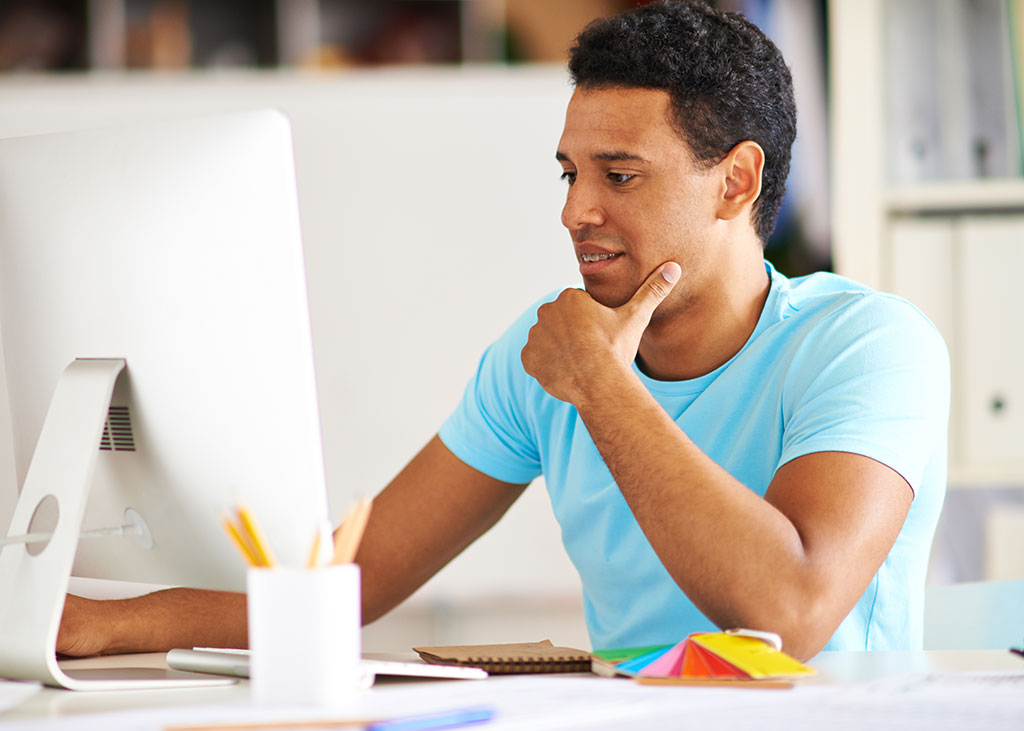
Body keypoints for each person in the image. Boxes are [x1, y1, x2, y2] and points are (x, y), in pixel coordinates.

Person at [57, 0, 948, 662]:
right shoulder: (540, 359)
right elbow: (344, 584)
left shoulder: (867, 347)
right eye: (568, 173)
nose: (575, 211)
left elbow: (789, 613)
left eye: (621, 176)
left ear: (736, 182)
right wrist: (98, 622)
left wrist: (604, 384)